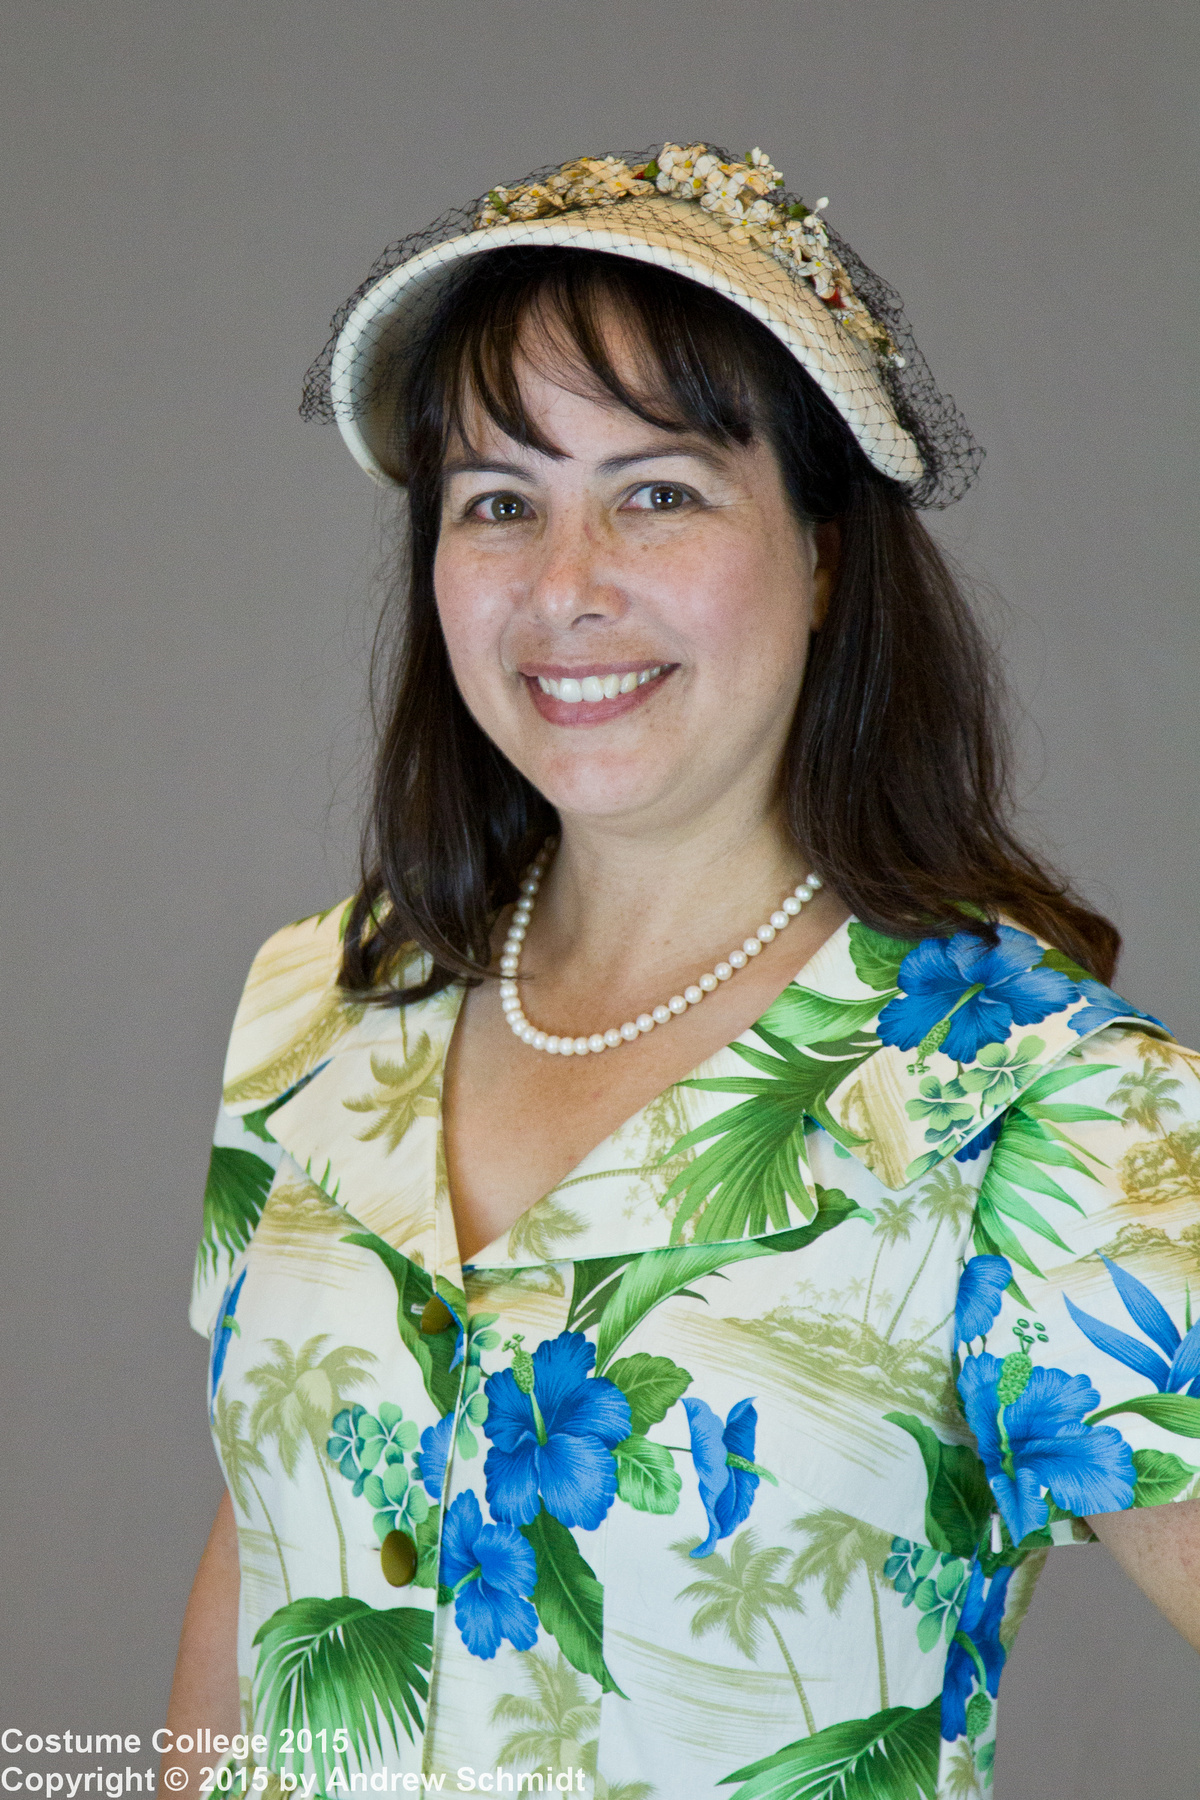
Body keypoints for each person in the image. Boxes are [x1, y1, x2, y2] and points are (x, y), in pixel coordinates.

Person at [166, 142, 1200, 1799]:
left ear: (824, 552)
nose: (565, 589)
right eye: (499, 502)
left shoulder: (1042, 1105)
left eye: (658, 491)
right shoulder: (320, 1008)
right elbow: (263, 1573)